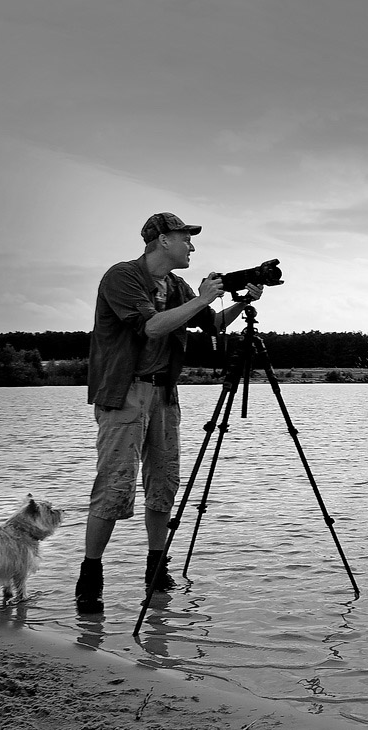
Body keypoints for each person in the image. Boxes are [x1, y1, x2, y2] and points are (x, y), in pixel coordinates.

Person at [75, 212, 263, 613]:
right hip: (124, 392)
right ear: (162, 240)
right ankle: (90, 575)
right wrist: (203, 297)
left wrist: (241, 301)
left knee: (164, 483)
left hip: (164, 395)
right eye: (185, 239)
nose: (191, 246)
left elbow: (210, 324)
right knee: (115, 486)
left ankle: (156, 569)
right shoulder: (122, 277)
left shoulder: (175, 285)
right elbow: (152, 327)